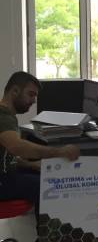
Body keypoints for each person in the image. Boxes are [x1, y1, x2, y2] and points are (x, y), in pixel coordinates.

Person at [0, 72, 80, 217]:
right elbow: (16, 147)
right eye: (31, 94)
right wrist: (58, 152)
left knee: (47, 175)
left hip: (6, 175)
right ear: (15, 91)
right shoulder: (3, 116)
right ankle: (50, 231)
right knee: (50, 186)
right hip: (3, 181)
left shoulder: (8, 116)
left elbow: (6, 158)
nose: (34, 101)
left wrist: (31, 165)